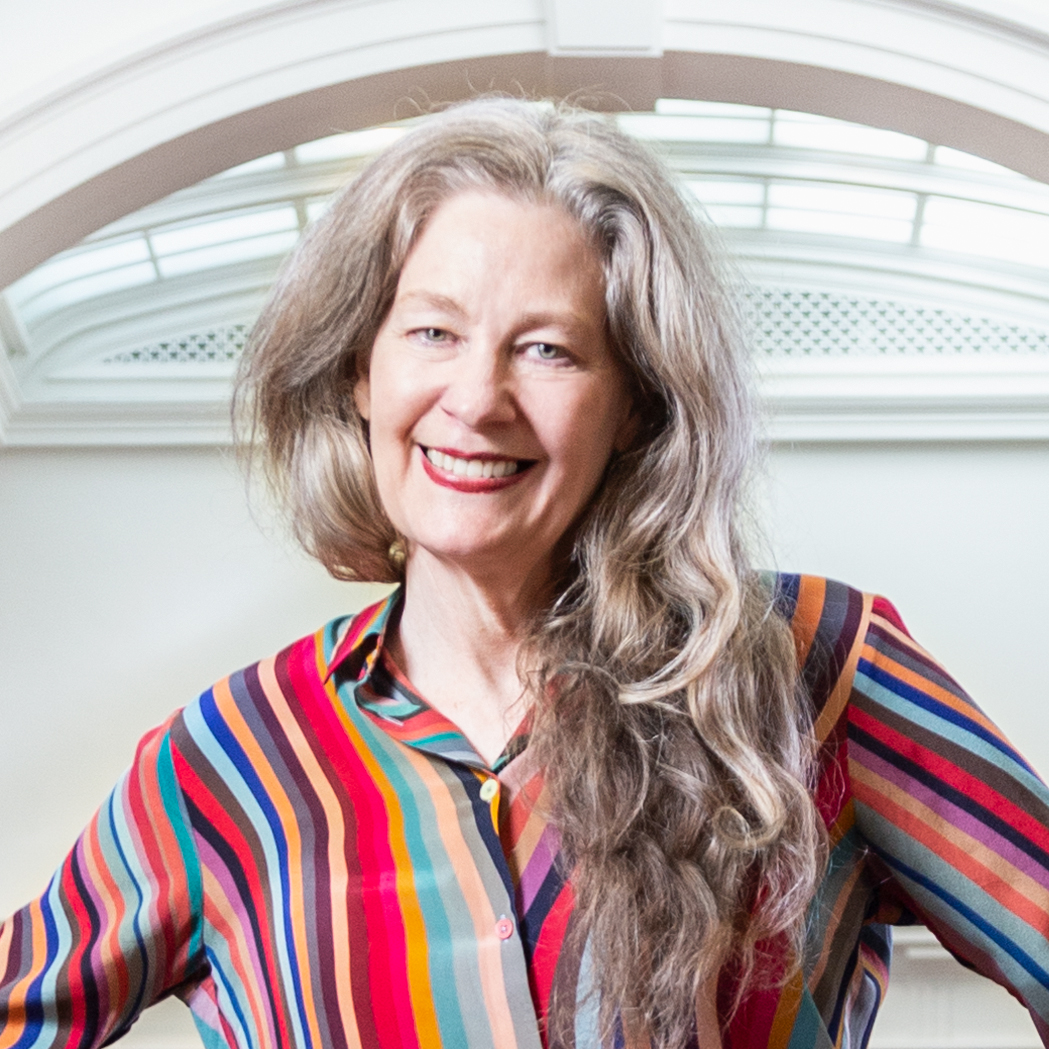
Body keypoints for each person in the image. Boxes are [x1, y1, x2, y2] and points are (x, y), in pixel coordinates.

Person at [2, 97, 1049, 1049]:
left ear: (634, 404)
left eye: (547, 349)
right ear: (359, 371)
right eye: (432, 331)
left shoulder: (814, 665)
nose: (476, 398)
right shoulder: (226, 759)